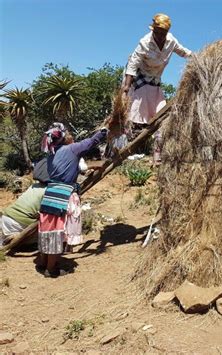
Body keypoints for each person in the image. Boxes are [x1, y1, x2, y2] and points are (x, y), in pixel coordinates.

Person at [37, 123, 107, 277]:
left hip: (49, 195)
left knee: (47, 230)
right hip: (63, 197)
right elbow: (90, 142)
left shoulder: (51, 153)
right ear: (63, 136)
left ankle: (42, 263)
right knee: (58, 233)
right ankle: (51, 269)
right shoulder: (72, 149)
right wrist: (104, 131)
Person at [121, 13, 192, 164]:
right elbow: (133, 64)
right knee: (133, 116)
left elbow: (183, 52)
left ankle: (157, 155)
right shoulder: (145, 43)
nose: (159, 37)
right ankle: (124, 151)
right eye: (157, 33)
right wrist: (126, 87)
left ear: (167, 33)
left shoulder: (171, 41)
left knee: (161, 117)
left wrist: (198, 57)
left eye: (163, 33)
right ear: (153, 30)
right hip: (138, 79)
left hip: (155, 81)